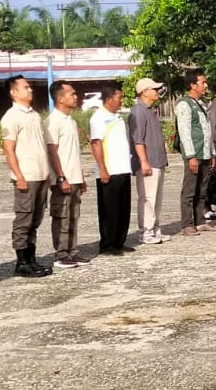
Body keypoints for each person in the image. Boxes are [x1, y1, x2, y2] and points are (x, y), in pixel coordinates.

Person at [0, 75, 53, 277]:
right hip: (26, 176)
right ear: (14, 92)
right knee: (23, 219)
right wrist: (18, 176)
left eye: (29, 86)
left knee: (35, 219)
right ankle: (21, 262)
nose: (30, 90)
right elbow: (9, 150)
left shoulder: (34, 115)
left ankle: (31, 259)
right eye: (25, 87)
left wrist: (47, 172)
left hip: (40, 175)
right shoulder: (11, 117)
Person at [45, 80, 88, 269]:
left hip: (75, 177)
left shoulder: (70, 120)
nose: (75, 96)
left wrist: (81, 177)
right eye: (72, 94)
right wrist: (61, 177)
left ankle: (72, 250)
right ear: (60, 98)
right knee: (61, 216)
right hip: (63, 178)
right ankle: (61, 253)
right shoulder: (52, 121)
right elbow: (52, 151)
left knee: (73, 216)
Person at [89, 83, 133, 254]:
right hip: (109, 169)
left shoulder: (118, 117)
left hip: (123, 167)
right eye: (119, 98)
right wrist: (102, 169)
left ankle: (119, 241)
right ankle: (107, 243)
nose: (121, 101)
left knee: (123, 207)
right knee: (109, 209)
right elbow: (96, 143)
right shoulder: (99, 118)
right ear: (108, 99)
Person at [174, 69, 216, 235]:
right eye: (202, 82)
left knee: (202, 189)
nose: (205, 85)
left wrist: (211, 153)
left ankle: (200, 221)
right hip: (194, 153)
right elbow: (184, 132)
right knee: (190, 190)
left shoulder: (201, 104)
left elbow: (207, 131)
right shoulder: (184, 104)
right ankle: (187, 224)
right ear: (192, 85)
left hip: (205, 153)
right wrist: (190, 156)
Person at [130, 77, 170, 244]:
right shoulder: (138, 111)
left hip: (158, 161)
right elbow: (138, 139)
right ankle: (145, 231)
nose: (157, 92)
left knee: (157, 198)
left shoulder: (150, 110)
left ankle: (155, 228)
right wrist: (144, 161)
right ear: (144, 92)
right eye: (154, 89)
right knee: (147, 198)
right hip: (148, 162)